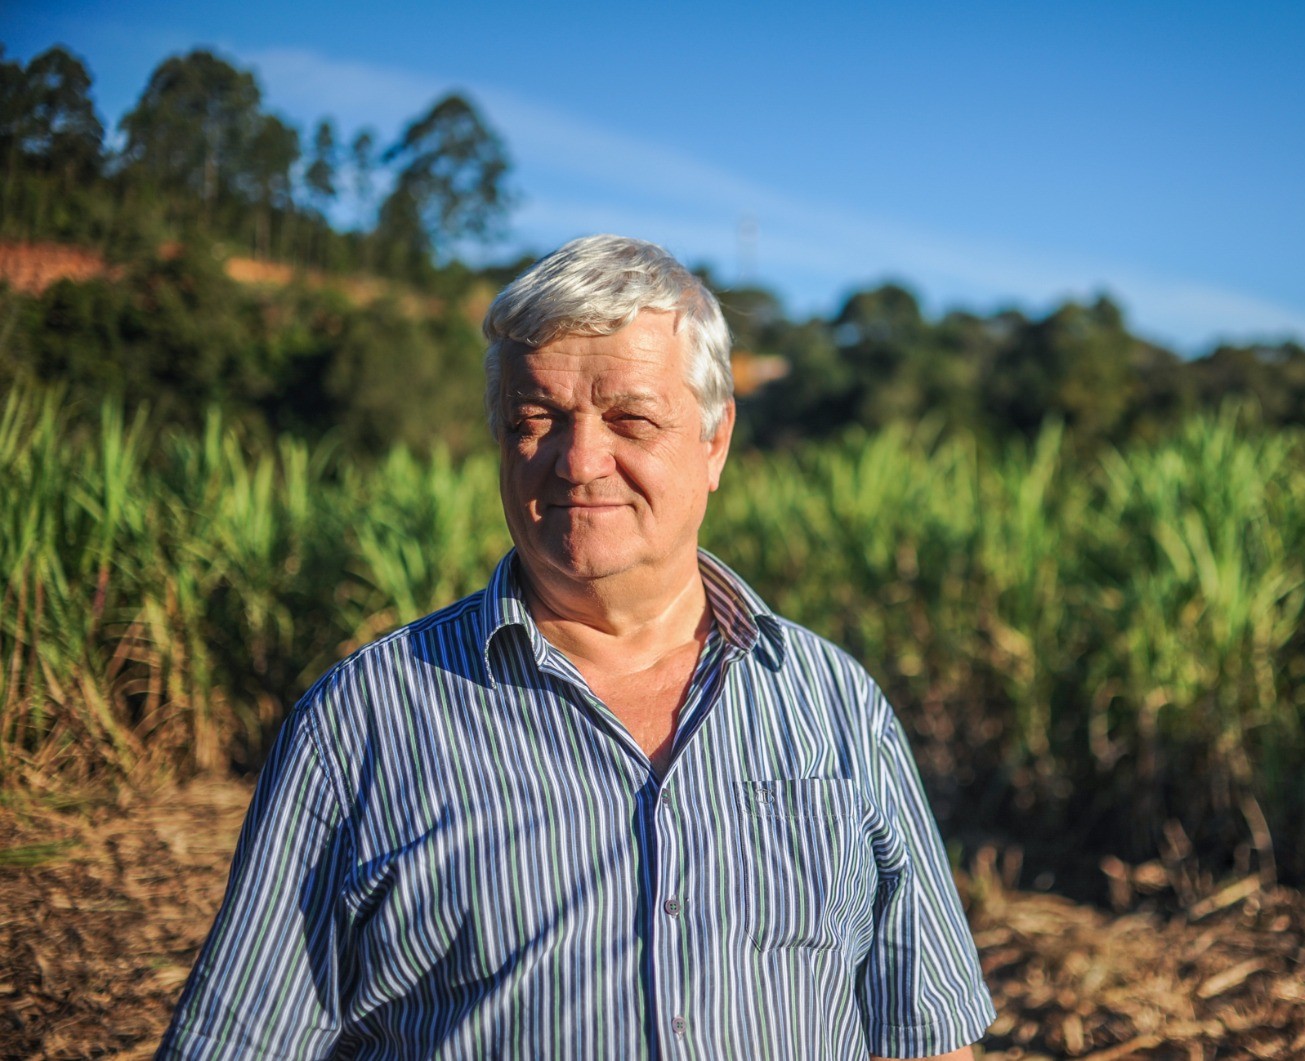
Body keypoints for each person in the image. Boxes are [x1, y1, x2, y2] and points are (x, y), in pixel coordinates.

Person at [158, 235, 994, 1059]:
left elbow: (922, 1034)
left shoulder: (835, 702)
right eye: (538, 418)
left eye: (632, 418)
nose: (582, 460)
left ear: (715, 442)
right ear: (500, 438)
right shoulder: (362, 723)